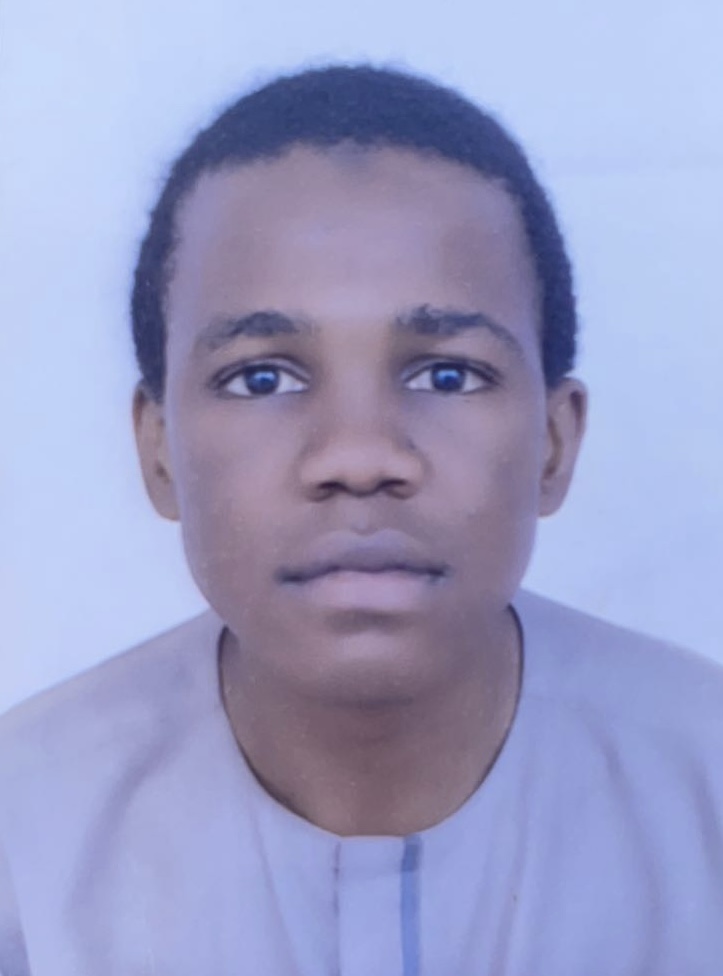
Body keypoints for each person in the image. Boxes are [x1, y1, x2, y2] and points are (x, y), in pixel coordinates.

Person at [1, 63, 722, 976]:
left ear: (552, 441)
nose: (359, 455)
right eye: (261, 378)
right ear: (158, 451)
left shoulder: (703, 787)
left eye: (446, 374)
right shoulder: (27, 835)